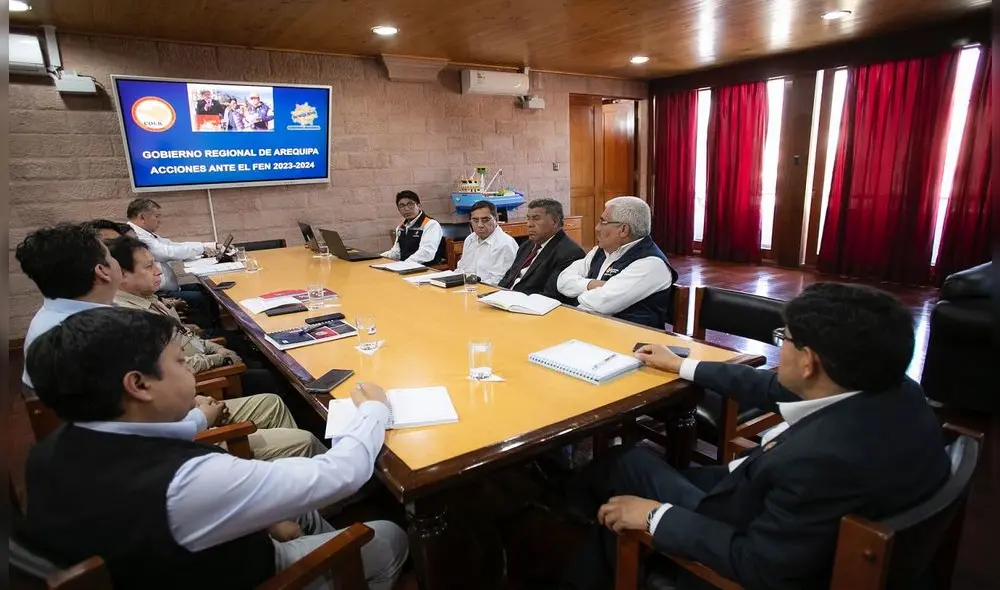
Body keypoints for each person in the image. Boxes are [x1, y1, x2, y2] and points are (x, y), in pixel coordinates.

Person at [563, 283, 950, 590]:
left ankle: (576, 545)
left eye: (784, 337)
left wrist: (652, 516)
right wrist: (683, 364)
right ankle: (584, 523)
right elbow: (768, 386)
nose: (779, 346)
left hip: (742, 534)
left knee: (625, 465)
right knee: (625, 469)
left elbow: (760, 567)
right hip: (777, 505)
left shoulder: (821, 463)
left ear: (809, 360)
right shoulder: (893, 388)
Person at [22, 307, 408, 590]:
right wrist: (375, 408)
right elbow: (341, 473)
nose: (191, 369)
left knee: (303, 513)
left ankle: (321, 540)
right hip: (247, 570)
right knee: (388, 536)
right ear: (138, 385)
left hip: (185, 558)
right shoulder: (188, 483)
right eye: (179, 362)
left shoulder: (53, 449)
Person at [107, 236, 327, 460]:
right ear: (122, 274)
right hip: (192, 416)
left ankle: (296, 473)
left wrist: (213, 352)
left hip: (191, 401)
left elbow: (185, 338)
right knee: (277, 383)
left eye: (155, 263)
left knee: (272, 401)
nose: (158, 271)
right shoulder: (130, 319)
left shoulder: (147, 299)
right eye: (148, 266)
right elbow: (173, 369)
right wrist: (214, 366)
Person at [15, 223, 123, 391]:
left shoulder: (50, 314)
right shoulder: (93, 336)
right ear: (102, 271)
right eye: (111, 257)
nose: (117, 262)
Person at [556, 196, 675, 329]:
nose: (596, 228)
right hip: (593, 328)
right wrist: (591, 284)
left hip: (633, 342)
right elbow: (562, 281)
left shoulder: (651, 264)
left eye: (603, 222)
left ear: (623, 230)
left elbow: (602, 303)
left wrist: (577, 292)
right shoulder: (600, 251)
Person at [126, 197, 220, 327]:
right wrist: (203, 247)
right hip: (157, 292)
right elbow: (167, 252)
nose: (159, 220)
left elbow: (173, 245)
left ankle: (217, 327)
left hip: (167, 286)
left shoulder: (146, 234)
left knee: (206, 290)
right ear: (142, 218)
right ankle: (208, 332)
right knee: (200, 298)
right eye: (156, 216)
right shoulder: (136, 236)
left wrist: (204, 247)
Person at [497, 199, 584, 302]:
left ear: (555, 222)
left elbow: (550, 295)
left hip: (528, 307)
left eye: (536, 219)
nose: (529, 224)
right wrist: (496, 293)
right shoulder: (528, 245)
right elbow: (509, 276)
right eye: (528, 219)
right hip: (504, 299)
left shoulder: (570, 253)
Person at [455, 200, 518, 285]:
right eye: (475, 220)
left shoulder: (504, 243)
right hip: (468, 288)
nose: (480, 225)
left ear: (496, 219)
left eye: (485, 220)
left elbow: (499, 281)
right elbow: (461, 269)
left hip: (491, 293)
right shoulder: (470, 239)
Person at [380, 190, 444, 264]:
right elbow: (396, 252)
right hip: (406, 268)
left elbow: (427, 253)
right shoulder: (401, 227)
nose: (406, 209)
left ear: (419, 206)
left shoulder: (431, 224)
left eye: (410, 204)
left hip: (427, 269)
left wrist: (404, 264)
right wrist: (377, 258)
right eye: (402, 206)